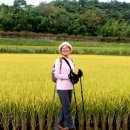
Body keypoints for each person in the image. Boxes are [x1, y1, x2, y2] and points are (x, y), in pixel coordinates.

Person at [54, 42, 76, 130]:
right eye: (63, 48)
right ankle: (71, 127)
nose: (65, 49)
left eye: (67, 48)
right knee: (67, 108)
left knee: (65, 106)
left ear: (70, 50)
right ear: (61, 51)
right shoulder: (58, 60)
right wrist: (68, 76)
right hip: (62, 87)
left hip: (70, 87)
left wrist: (76, 76)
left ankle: (59, 124)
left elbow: (71, 73)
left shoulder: (71, 61)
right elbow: (56, 74)